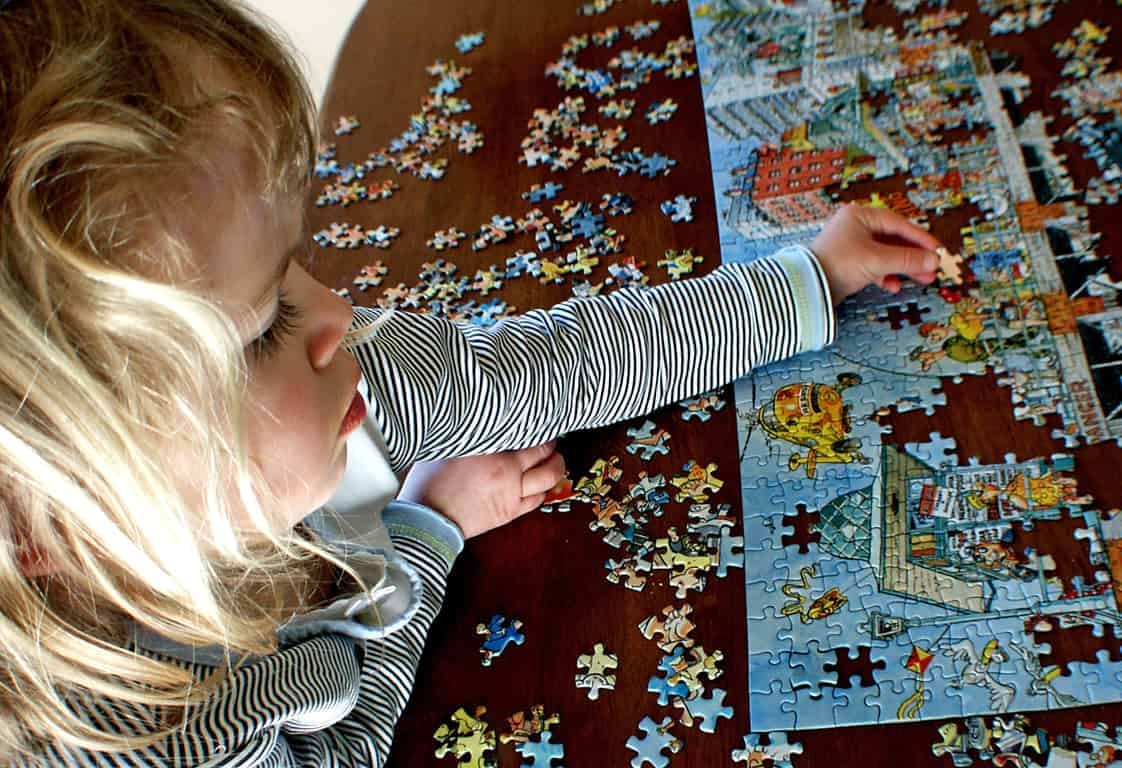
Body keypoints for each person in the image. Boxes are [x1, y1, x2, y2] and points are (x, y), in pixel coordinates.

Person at [0, 0, 942, 765]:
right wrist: (427, 532)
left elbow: (562, 367)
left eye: (293, 263)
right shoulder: (144, 735)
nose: (335, 311)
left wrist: (805, 281)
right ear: (54, 517)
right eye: (260, 329)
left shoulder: (360, 375)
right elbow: (339, 752)